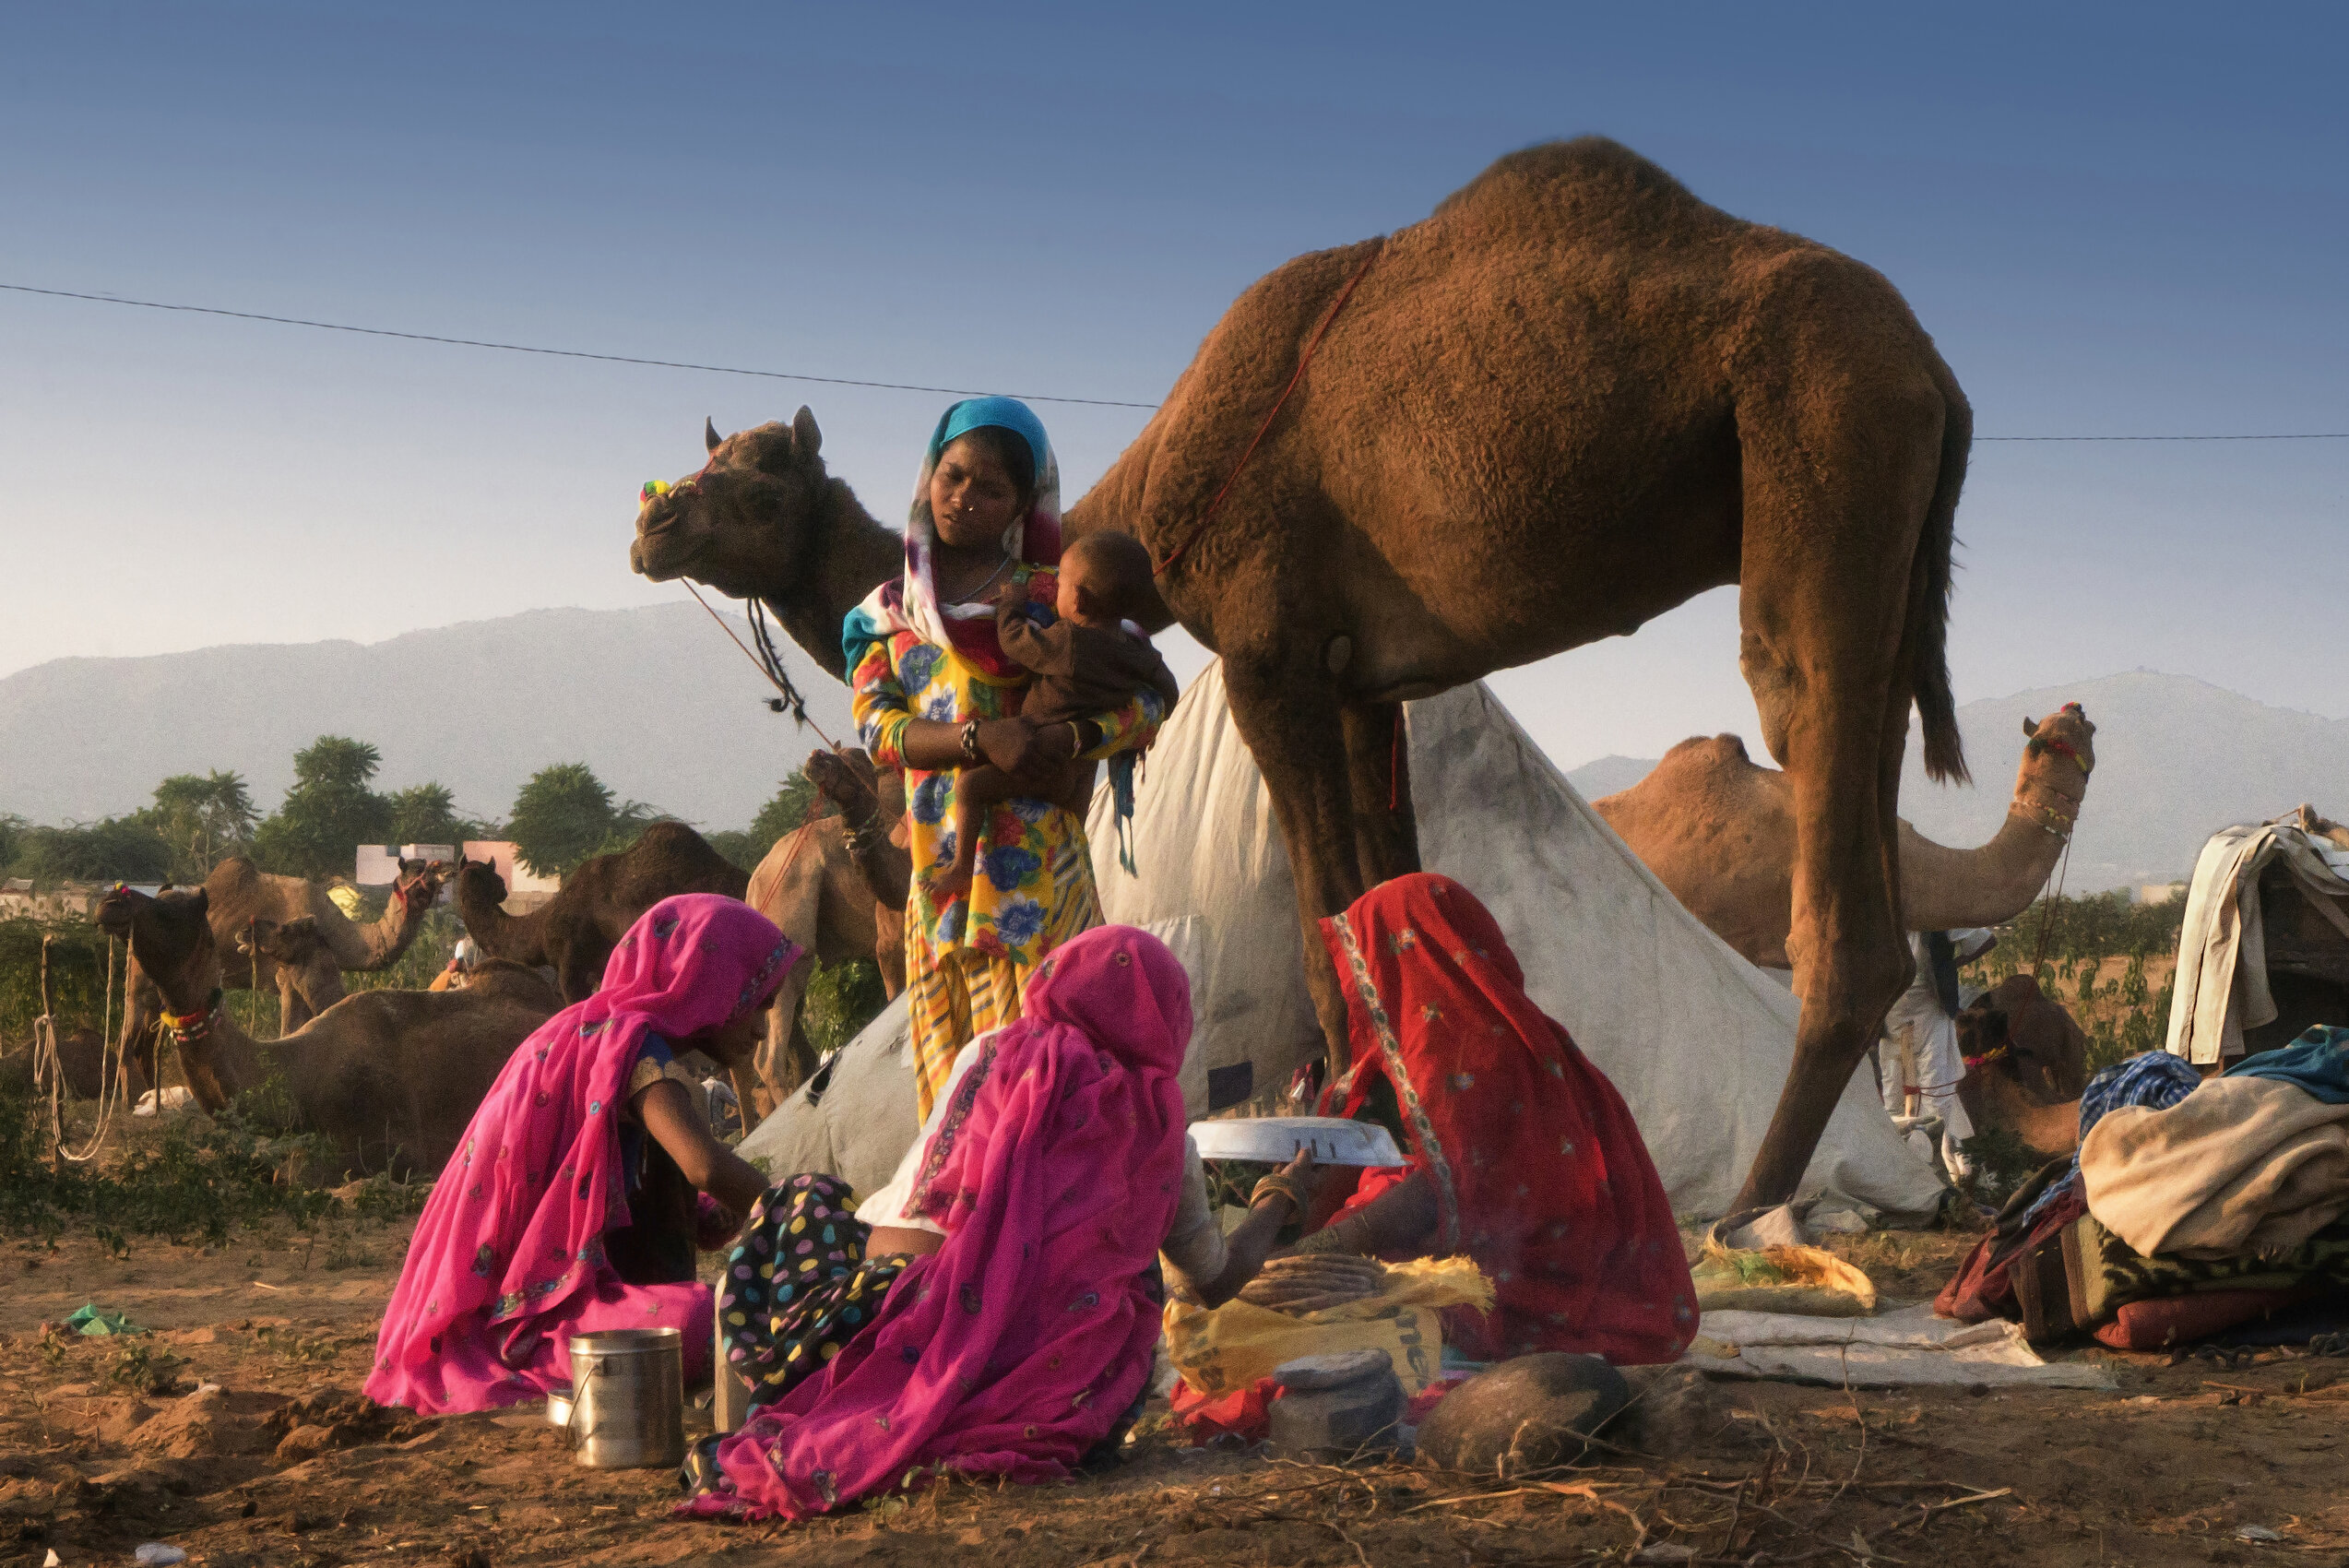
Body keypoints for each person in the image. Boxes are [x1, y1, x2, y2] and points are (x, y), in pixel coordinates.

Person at [680, 925, 1285, 1522]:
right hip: (1028, 1380)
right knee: (1131, 1279)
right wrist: (1280, 1197)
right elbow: (1207, 1281)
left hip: (853, 1323)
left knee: (805, 1197)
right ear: (1165, 1018)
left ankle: (764, 1400)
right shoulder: (1156, 1126)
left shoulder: (992, 1049)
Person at [845, 398, 1169, 1116]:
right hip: (939, 888)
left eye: (989, 489)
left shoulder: (1061, 601)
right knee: (950, 1109)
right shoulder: (885, 615)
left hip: (1040, 887)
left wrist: (1067, 739)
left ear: (1024, 503)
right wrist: (975, 740)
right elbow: (878, 730)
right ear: (929, 473)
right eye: (952, 477)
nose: (963, 500)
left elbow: (1146, 702)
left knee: (1046, 1094)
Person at [365, 895, 792, 1416]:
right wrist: (804, 1208)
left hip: (482, 1296)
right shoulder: (631, 1048)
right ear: (709, 984)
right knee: (733, 1317)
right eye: (755, 1003)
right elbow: (702, 1164)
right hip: (524, 1316)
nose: (757, 1031)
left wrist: (713, 1212)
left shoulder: (586, 1031)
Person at [1296, 873, 1697, 1365]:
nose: (1364, 988)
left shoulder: (1477, 1054)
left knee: (1336, 1318)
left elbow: (1449, 1187)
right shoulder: (1429, 1046)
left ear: (1414, 956)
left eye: (1371, 961)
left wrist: (1314, 1253)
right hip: (1495, 1244)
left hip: (1540, 1274)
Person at [925, 531, 1180, 899]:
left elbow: (1014, 640)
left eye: (1060, 580)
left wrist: (1010, 605)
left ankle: (961, 866)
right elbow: (1166, 686)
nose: (1054, 586)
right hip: (1075, 774)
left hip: (1034, 756)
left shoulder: (1067, 642)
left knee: (969, 786)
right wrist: (1162, 708)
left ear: (1077, 601)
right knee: (1071, 837)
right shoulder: (1137, 653)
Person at [1879, 928, 1996, 1180]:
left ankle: (1938, 1175)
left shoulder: (1936, 915)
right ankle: (1898, 1172)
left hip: (1931, 1015)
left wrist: (1946, 969)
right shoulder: (1880, 918)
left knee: (1935, 1099)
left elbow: (1986, 940)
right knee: (1893, 1098)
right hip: (1891, 1021)